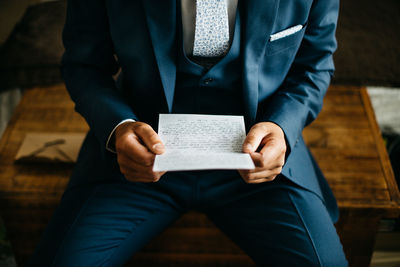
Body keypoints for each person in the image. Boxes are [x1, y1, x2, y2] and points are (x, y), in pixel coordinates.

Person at [30, 0, 348, 266]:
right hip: (138, 160)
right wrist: (119, 128)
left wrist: (281, 127)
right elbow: (84, 65)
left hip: (260, 165)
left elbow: (314, 64)